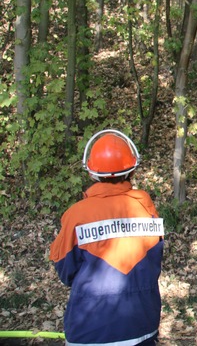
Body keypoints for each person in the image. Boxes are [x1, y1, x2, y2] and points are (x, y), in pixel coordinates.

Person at [50, 129, 164, 345]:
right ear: (132, 169)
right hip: (141, 325)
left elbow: (65, 271)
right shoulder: (145, 206)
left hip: (89, 328)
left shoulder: (77, 214)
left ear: (91, 172)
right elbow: (153, 260)